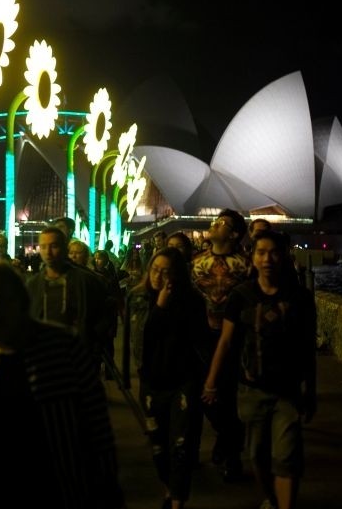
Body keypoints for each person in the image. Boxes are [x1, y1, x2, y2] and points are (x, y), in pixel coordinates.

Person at [0, 260, 126, 509]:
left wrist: (107, 484)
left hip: (53, 481)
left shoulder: (63, 345)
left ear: (21, 299)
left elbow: (96, 423)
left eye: (2, 298)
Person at [202, 230, 316, 509]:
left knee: (287, 457)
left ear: (285, 256)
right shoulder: (241, 295)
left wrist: (310, 390)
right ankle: (272, 500)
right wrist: (211, 382)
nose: (268, 259)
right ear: (252, 258)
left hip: (287, 390)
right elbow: (226, 341)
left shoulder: (300, 297)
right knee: (257, 456)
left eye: (274, 252)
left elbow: (307, 346)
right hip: (251, 388)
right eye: (261, 252)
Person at [135, 247, 211, 509]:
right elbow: (143, 338)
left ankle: (177, 501)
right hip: (151, 383)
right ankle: (169, 490)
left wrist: (209, 379)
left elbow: (200, 341)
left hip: (183, 380)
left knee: (181, 445)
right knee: (157, 447)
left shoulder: (192, 302)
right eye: (155, 269)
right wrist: (160, 307)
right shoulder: (139, 299)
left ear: (177, 274)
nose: (158, 275)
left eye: (165, 271)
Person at [190, 209, 252, 476]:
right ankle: (228, 436)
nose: (214, 224)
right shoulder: (196, 263)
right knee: (203, 393)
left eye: (222, 223)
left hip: (234, 336)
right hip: (202, 335)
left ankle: (232, 455)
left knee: (225, 392)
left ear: (235, 234)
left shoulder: (246, 264)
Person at [26, 226, 111, 365]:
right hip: (44, 356)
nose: (48, 252)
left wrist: (93, 345)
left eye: (53, 246)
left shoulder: (86, 281)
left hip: (79, 356)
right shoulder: (33, 285)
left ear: (64, 248)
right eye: (43, 246)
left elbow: (103, 315)